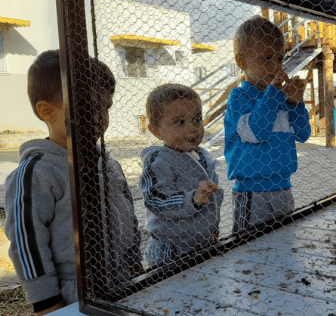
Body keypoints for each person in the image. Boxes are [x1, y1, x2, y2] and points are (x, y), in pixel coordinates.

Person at [4, 50, 141, 315]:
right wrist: (47, 302)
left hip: (120, 281)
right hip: (72, 294)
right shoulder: (39, 171)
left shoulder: (108, 163)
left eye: (106, 107)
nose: (102, 118)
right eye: (89, 107)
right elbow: (26, 242)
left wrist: (134, 263)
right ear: (46, 111)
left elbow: (129, 215)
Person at [225, 16, 311, 233]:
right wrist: (275, 94)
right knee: (249, 249)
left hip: (283, 188)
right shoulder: (239, 97)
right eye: (267, 58)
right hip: (252, 193)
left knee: (283, 243)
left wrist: (295, 103)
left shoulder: (279, 99)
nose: (276, 67)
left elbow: (303, 133)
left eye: (280, 59)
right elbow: (257, 132)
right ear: (241, 61)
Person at [140, 83, 223, 267]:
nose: (192, 128)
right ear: (156, 130)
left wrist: (213, 227)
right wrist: (191, 199)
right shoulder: (159, 161)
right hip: (171, 249)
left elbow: (212, 199)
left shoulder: (203, 157)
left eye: (197, 119)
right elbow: (155, 200)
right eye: (180, 122)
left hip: (202, 243)